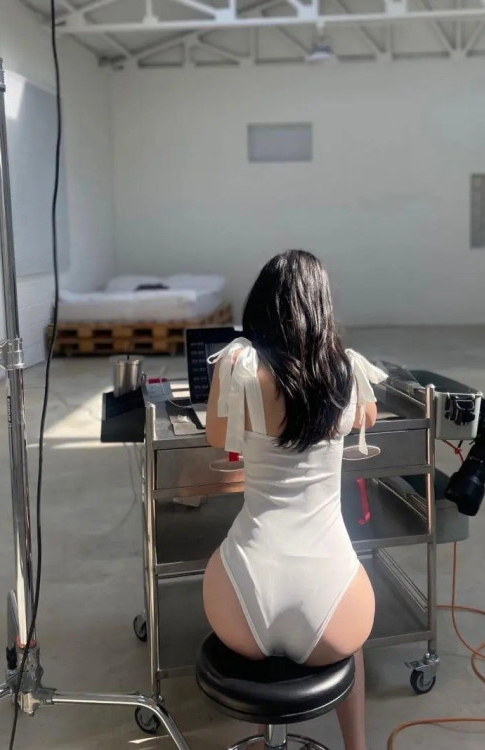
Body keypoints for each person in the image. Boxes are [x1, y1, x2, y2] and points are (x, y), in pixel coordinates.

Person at [203, 250, 378, 750]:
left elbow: (217, 435)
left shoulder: (239, 366)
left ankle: (263, 740)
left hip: (245, 590)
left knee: (250, 659)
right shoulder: (347, 370)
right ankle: (356, 746)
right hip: (331, 594)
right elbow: (367, 417)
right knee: (350, 647)